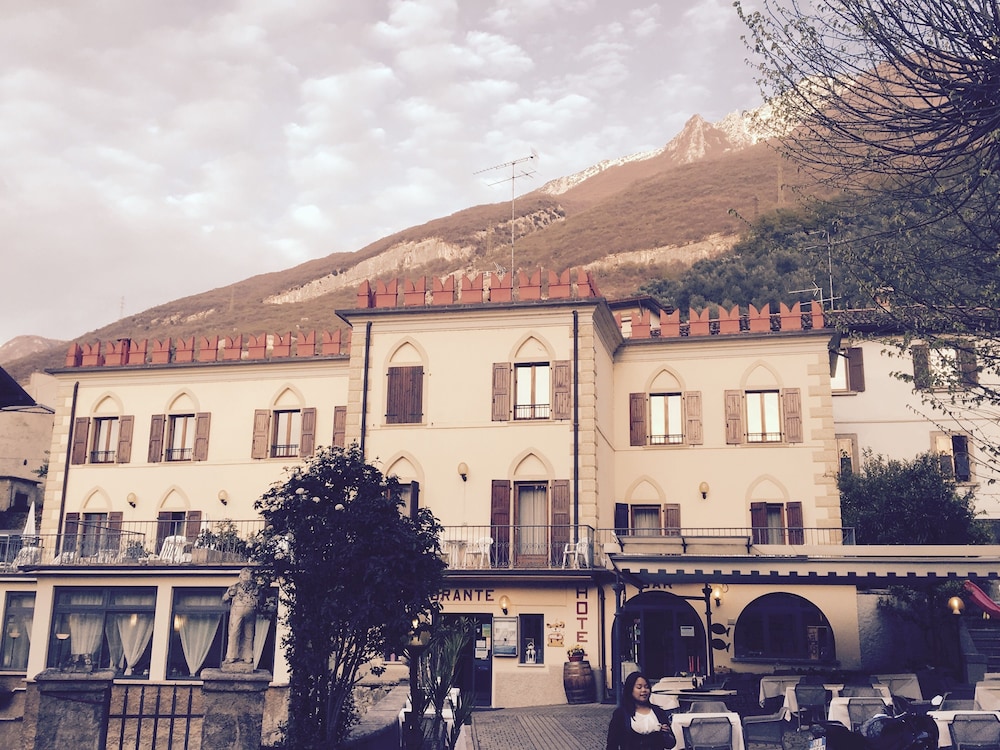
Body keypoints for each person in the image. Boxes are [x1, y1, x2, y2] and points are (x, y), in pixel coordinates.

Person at [607, 671, 676, 750]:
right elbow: (612, 744)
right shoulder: (621, 714)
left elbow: (671, 744)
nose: (644, 690)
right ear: (630, 690)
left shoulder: (658, 712)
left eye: (646, 687)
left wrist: (666, 734)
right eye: (639, 687)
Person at [222, 567, 259, 664]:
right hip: (237, 611)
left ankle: (247, 656)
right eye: (244, 574)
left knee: (249, 634)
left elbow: (262, 600)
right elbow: (224, 598)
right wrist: (230, 594)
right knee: (234, 633)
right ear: (240, 576)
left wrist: (257, 598)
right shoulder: (234, 587)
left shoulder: (256, 588)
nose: (246, 577)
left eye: (249, 575)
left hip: (250, 611)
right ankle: (231, 656)